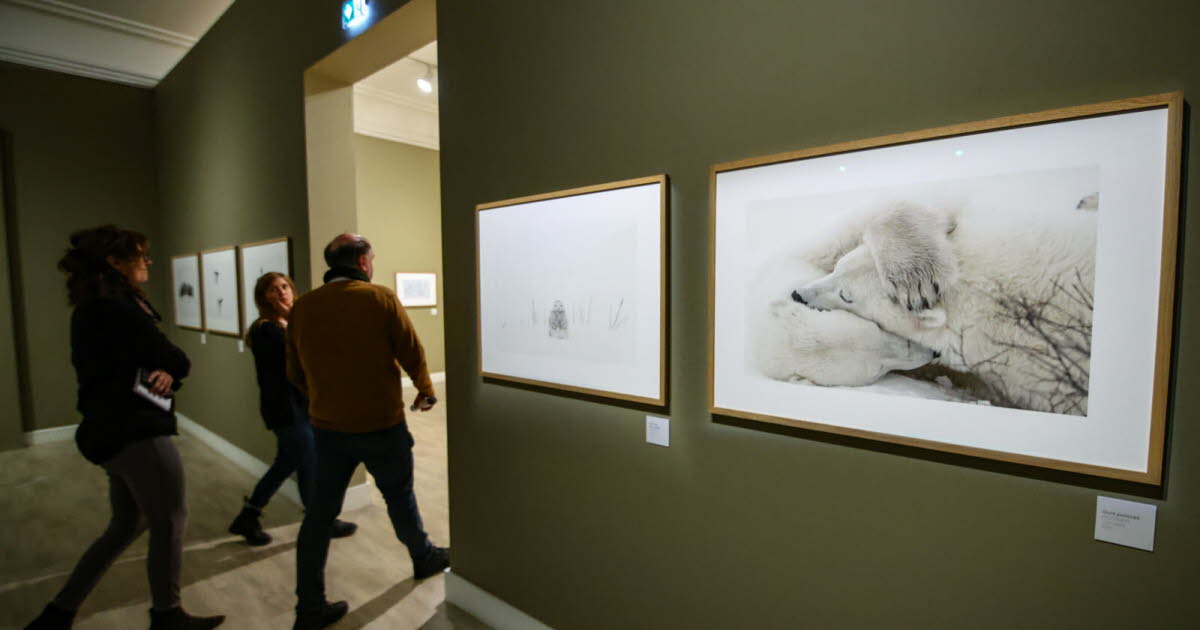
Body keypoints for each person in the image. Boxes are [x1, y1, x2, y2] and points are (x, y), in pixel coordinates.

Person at [25, 226, 224, 630]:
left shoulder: (91, 307)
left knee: (126, 524)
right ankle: (166, 615)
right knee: (170, 518)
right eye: (140, 256)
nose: (147, 262)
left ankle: (59, 612)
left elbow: (155, 362)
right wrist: (169, 366)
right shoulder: (116, 309)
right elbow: (176, 359)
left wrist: (165, 367)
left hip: (108, 430)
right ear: (114, 262)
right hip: (136, 430)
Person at [287, 234, 449, 630]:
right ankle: (422, 556)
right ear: (362, 262)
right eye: (371, 257)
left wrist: (324, 398)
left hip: (327, 430)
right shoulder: (379, 298)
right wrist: (426, 390)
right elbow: (411, 349)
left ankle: (309, 607)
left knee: (319, 517)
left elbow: (293, 371)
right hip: (381, 426)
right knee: (400, 497)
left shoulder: (303, 307)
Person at [226, 272, 357, 545]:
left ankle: (249, 516)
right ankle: (319, 521)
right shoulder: (265, 330)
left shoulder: (290, 323)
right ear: (263, 298)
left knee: (290, 462)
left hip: (302, 406)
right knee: (308, 459)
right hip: (284, 409)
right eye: (273, 290)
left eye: (285, 287)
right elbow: (302, 355)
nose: (282, 293)